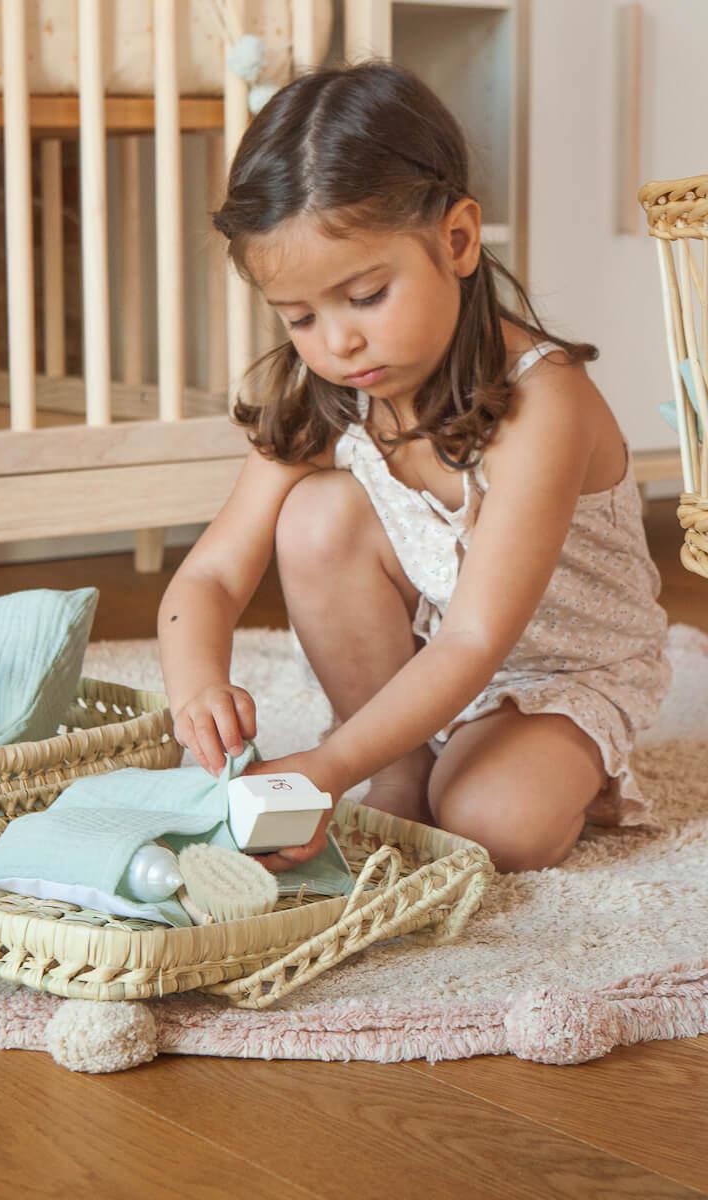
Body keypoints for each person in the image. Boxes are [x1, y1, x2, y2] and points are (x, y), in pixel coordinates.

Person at [157, 61, 670, 875]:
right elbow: (213, 576)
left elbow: (475, 637)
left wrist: (326, 768)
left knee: (492, 825)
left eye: (366, 295)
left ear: (457, 241)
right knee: (314, 513)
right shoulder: (328, 390)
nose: (337, 342)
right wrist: (198, 692)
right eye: (300, 317)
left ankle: (498, 760)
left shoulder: (546, 402)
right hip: (431, 653)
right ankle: (398, 764)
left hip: (560, 669)